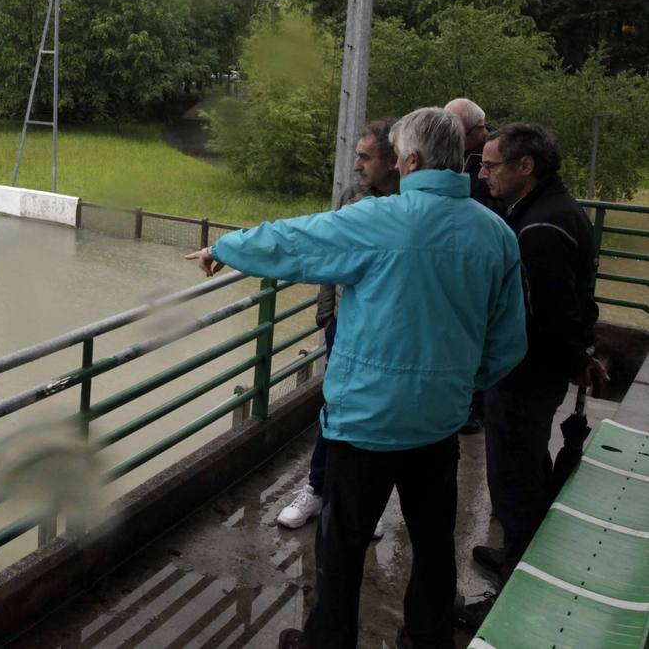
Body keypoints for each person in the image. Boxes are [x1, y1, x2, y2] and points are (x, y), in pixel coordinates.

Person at [189, 108, 527, 649]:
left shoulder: (378, 219)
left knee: (341, 548)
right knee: (435, 547)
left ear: (411, 160)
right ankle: (425, 639)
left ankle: (330, 641)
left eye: (395, 153)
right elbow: (508, 343)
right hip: (438, 423)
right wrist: (459, 384)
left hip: (365, 423)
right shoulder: (496, 234)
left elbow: (294, 242)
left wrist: (224, 248)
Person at [458, 124, 602, 630]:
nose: (482, 173)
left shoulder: (539, 230)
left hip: (522, 377)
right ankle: (519, 555)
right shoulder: (549, 212)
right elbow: (576, 304)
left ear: (526, 168)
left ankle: (509, 595)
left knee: (514, 482)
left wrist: (575, 360)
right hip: (532, 376)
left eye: (491, 165)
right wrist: (578, 354)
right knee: (529, 468)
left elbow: (550, 316)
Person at [277, 119, 399, 534]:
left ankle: (368, 504)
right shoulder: (351, 196)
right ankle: (315, 488)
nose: (357, 166)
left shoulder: (408, 204)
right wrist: (326, 312)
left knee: (378, 414)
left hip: (388, 330)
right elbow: (328, 252)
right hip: (344, 325)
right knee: (336, 408)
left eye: (365, 157)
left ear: (394, 160)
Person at [445, 97, 502, 435]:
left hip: (481, 258)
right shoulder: (449, 154)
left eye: (459, 133)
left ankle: (477, 407)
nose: (452, 139)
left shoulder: (498, 156)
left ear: (479, 130)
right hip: (452, 259)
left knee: (483, 333)